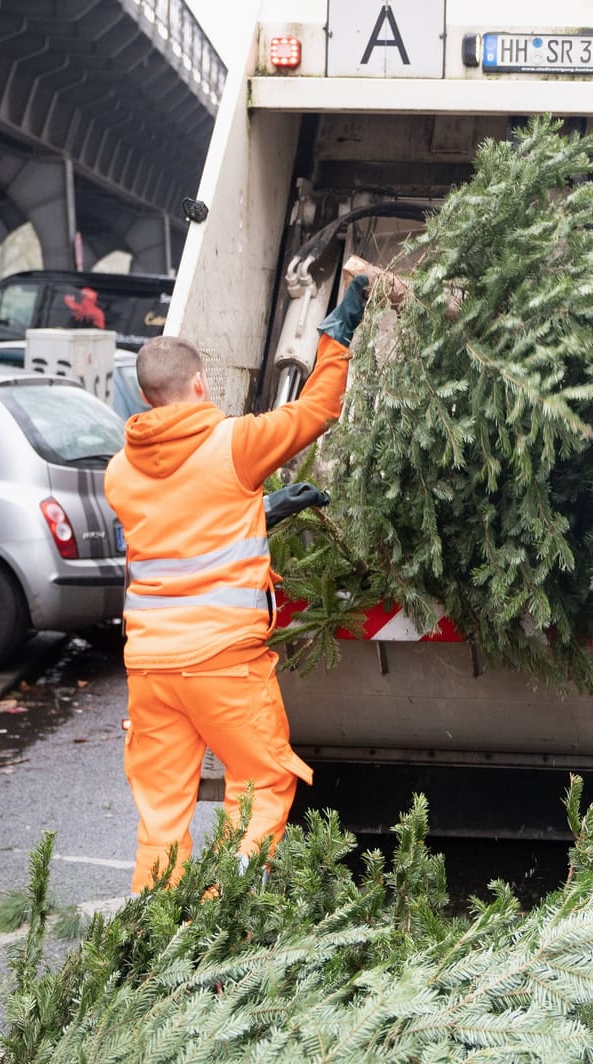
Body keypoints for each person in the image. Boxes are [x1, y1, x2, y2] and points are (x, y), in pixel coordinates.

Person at [103, 256, 403, 892]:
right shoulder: (234, 446)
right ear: (201, 385)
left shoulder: (120, 473)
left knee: (162, 810)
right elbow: (319, 410)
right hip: (220, 664)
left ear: (145, 396)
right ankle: (226, 906)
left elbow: (180, 529)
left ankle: (150, 931)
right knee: (263, 781)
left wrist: (260, 510)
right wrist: (338, 330)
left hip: (150, 668)